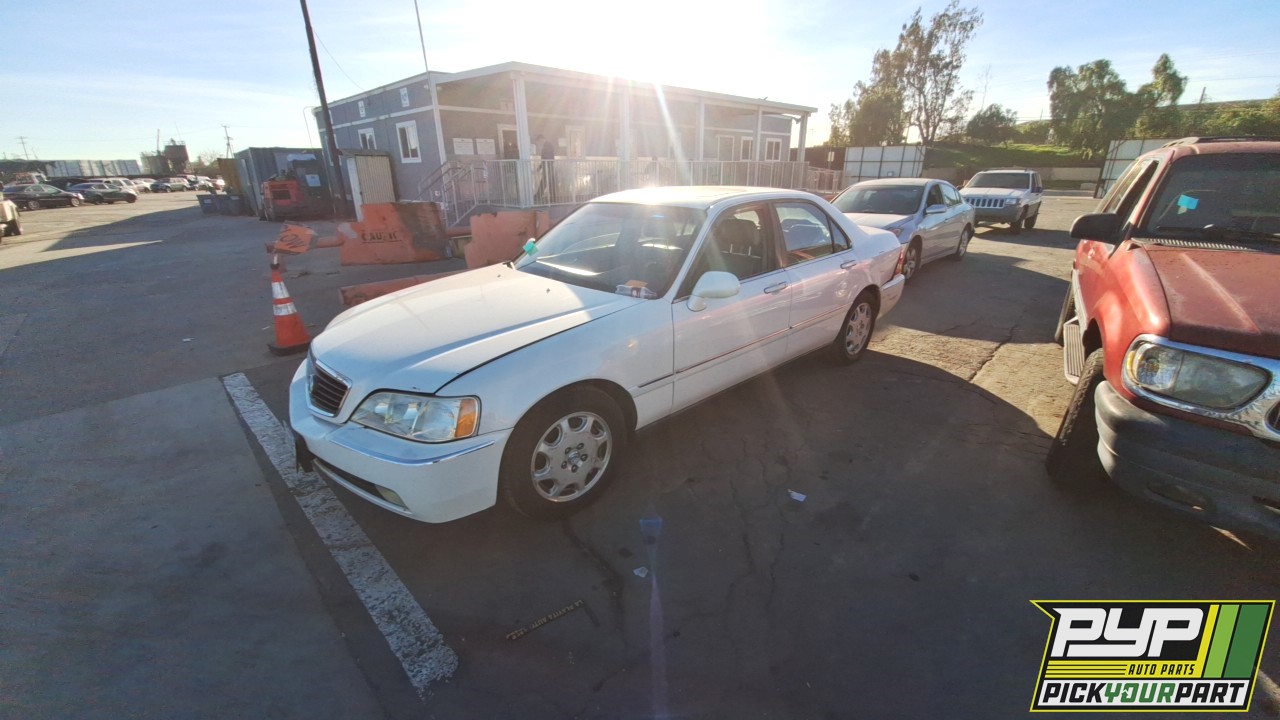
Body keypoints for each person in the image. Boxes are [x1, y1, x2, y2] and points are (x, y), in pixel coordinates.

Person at [534, 134, 556, 203]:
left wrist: (541, 167)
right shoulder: (547, 145)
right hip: (548, 166)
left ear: (541, 139)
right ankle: (553, 199)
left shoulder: (547, 145)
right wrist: (540, 167)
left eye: (539, 141)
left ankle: (538, 196)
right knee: (550, 183)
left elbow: (547, 157)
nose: (539, 143)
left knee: (544, 182)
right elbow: (545, 158)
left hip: (548, 167)